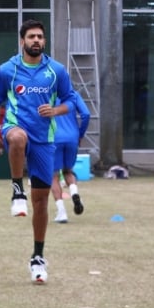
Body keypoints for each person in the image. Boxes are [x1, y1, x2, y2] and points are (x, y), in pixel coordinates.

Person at [0, 19, 73, 284]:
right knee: (17, 138)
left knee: (41, 202)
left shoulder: (56, 70)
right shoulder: (7, 70)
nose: (36, 40)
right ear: (22, 41)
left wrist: (55, 110)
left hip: (44, 140)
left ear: (44, 41)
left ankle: (38, 257)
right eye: (31, 36)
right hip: (15, 128)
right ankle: (16, 189)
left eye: (40, 37)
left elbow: (70, 100)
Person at [50, 91, 90, 223]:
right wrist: (80, 134)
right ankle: (74, 193)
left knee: (53, 176)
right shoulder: (73, 94)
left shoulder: (45, 92)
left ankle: (61, 213)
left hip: (54, 138)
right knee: (68, 171)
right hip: (72, 137)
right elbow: (86, 114)